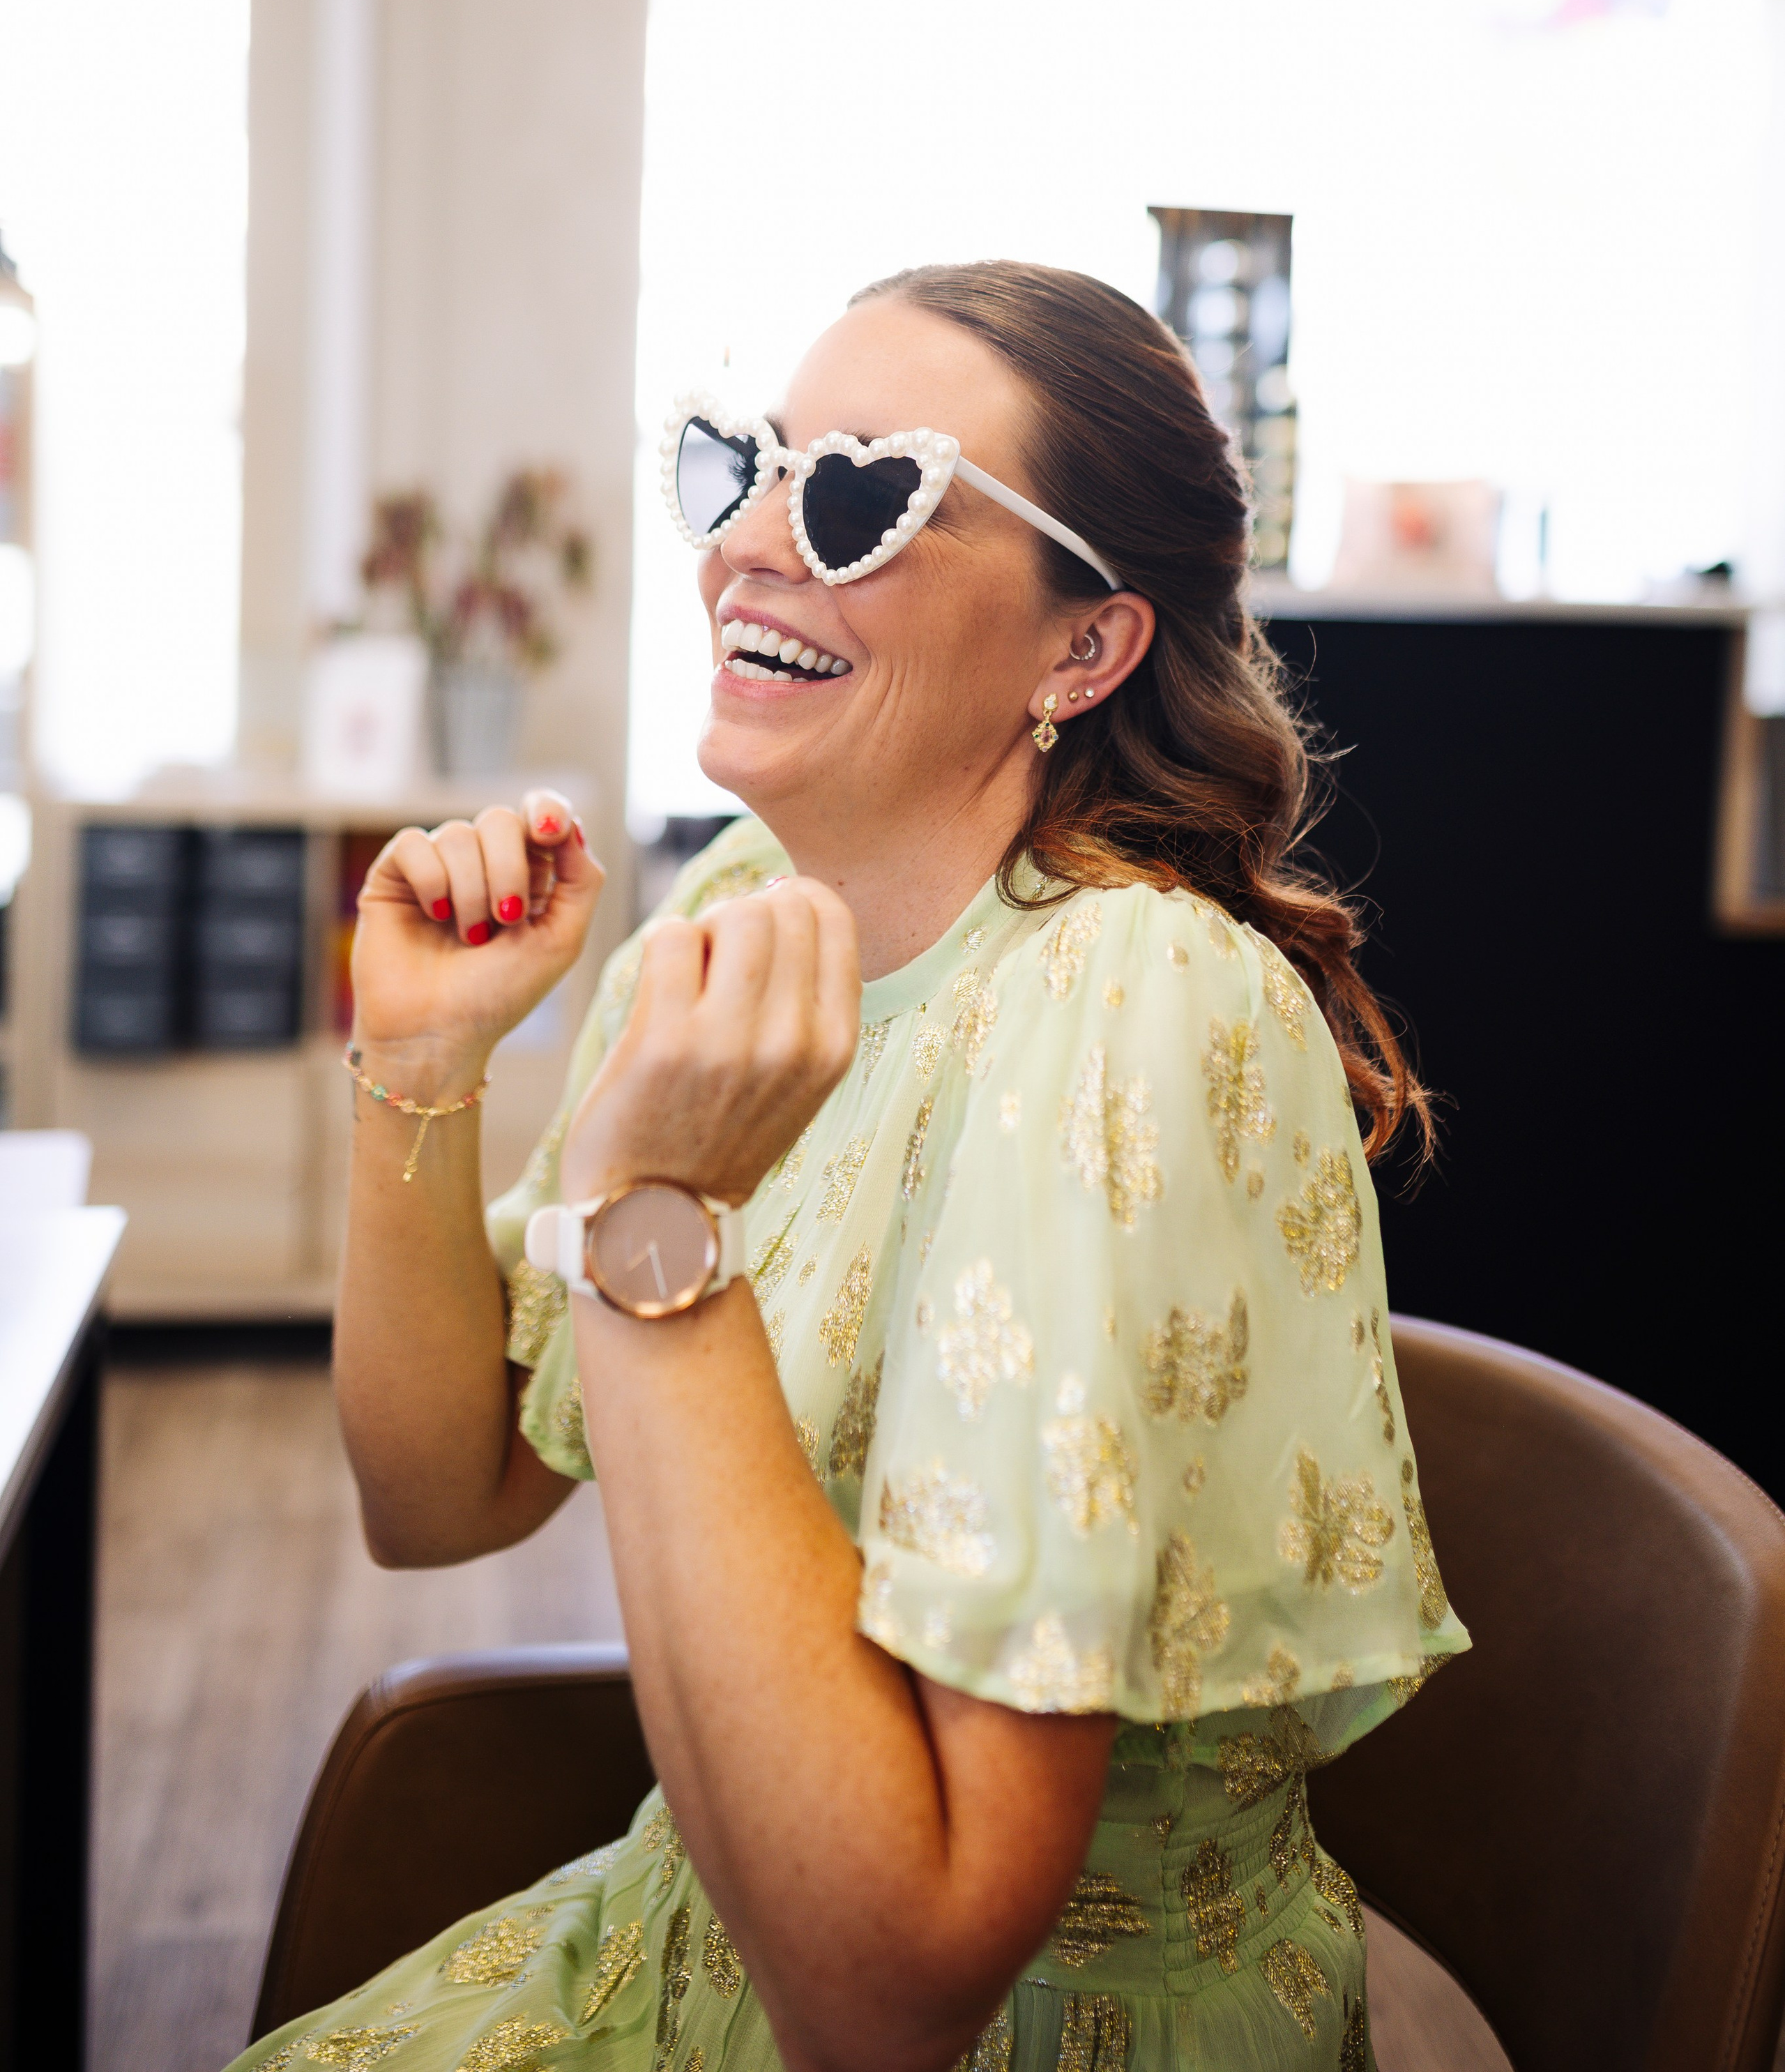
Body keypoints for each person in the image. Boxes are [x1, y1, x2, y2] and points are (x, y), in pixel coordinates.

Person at [235, 262, 1468, 2072]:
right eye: (739, 467)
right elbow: (440, 1495)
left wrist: (665, 1232)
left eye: (863, 493)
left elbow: (896, 1991)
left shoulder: (1136, 1004)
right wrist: (421, 1061)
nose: (750, 545)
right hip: (688, 1930)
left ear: (1084, 648)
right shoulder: (746, 912)